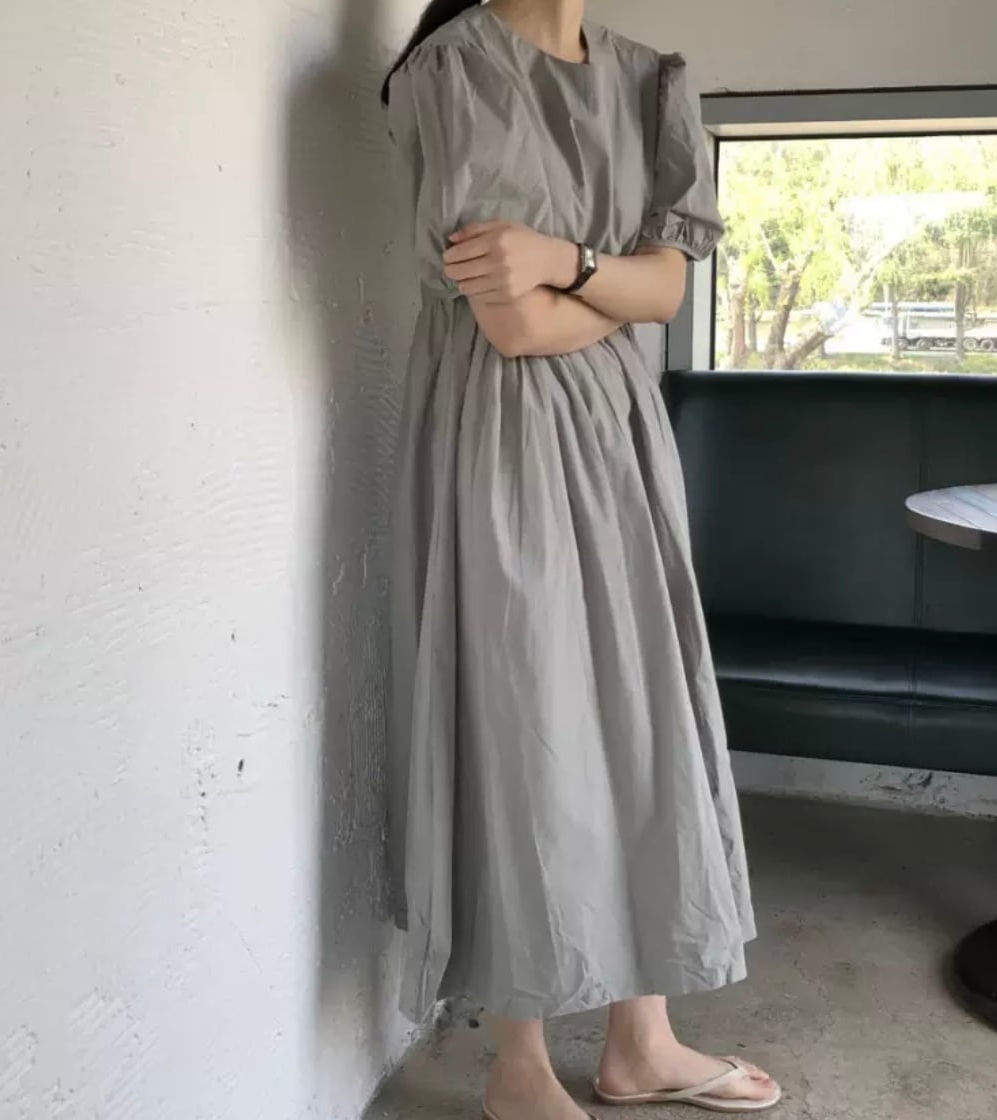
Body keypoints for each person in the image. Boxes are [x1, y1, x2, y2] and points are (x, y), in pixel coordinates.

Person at [382, 1, 780, 1115]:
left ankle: (640, 1040)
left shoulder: (649, 79)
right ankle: (518, 1064)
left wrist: (565, 259)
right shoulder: (455, 70)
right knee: (528, 711)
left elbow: (668, 288)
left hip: (619, 437)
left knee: (640, 708)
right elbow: (515, 326)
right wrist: (619, 285)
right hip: (504, 428)